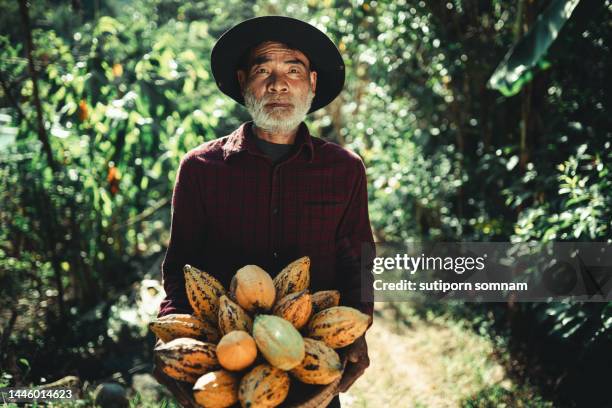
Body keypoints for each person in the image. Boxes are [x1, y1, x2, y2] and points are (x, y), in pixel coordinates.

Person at [153, 16, 375, 408]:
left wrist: (358, 328)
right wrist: (170, 338)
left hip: (308, 364)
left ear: (312, 83)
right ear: (243, 81)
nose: (278, 84)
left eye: (293, 69)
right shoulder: (201, 168)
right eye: (263, 70)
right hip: (222, 368)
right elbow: (180, 266)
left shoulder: (344, 169)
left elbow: (356, 260)